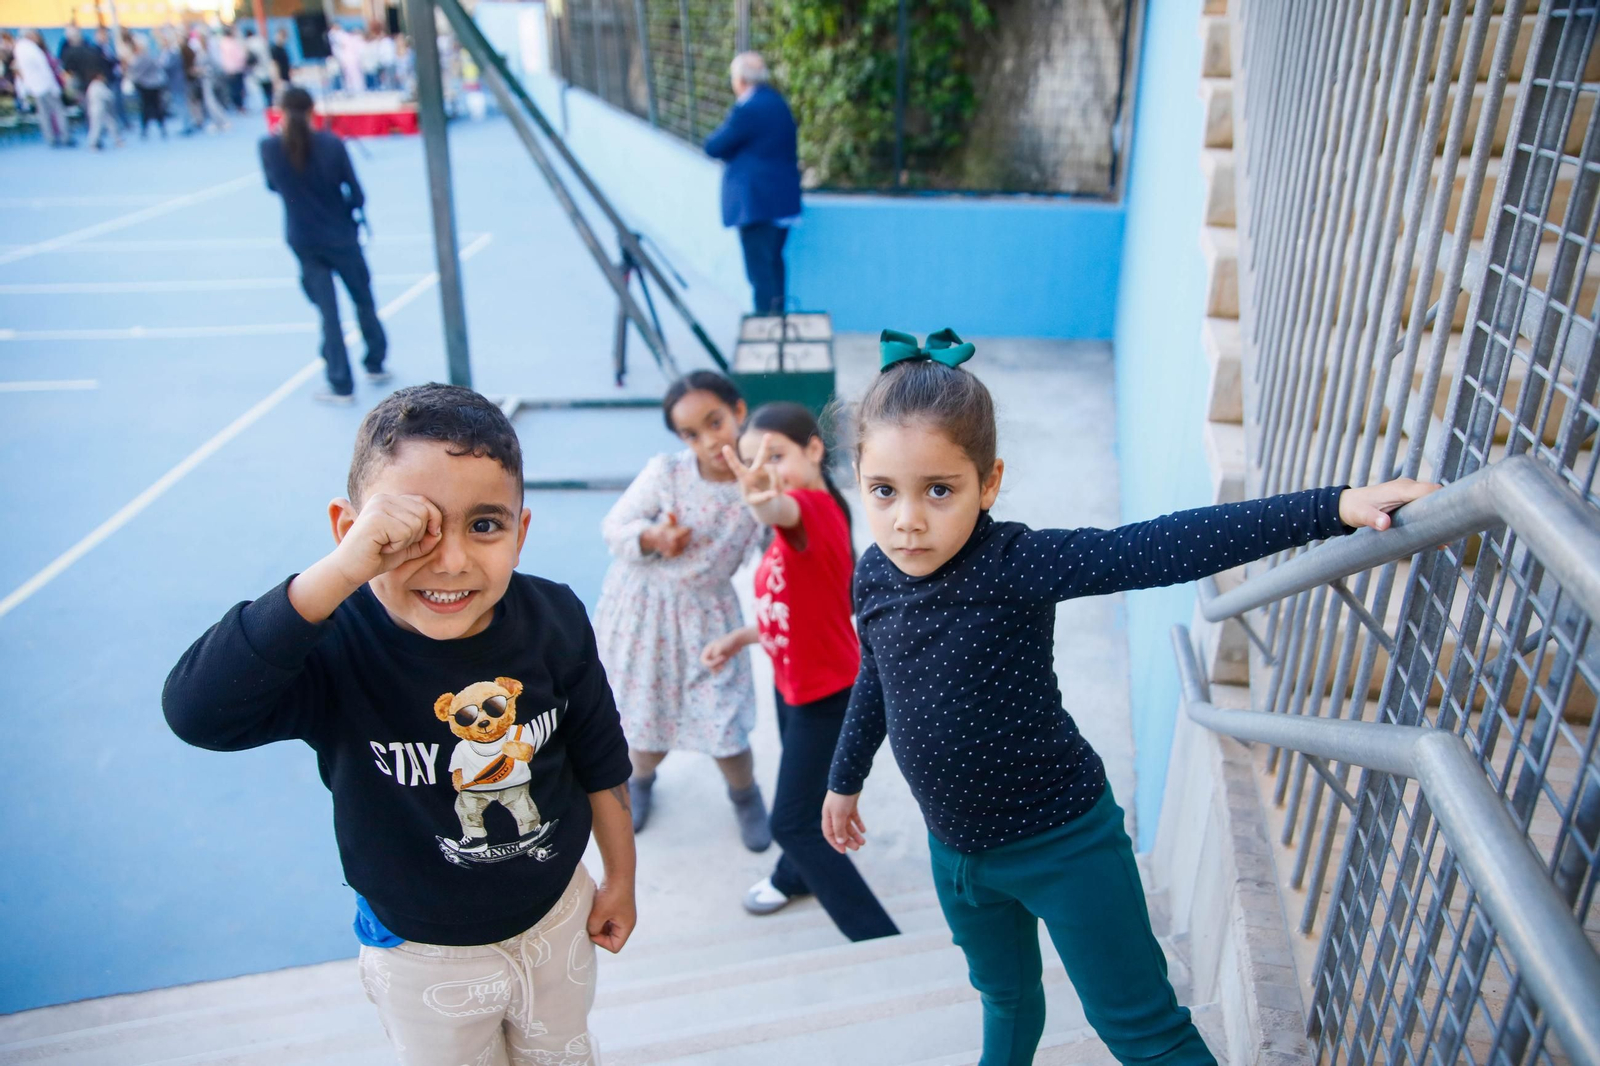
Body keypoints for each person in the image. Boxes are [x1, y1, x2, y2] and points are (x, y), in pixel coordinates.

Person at [820, 329, 1441, 1066]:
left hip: (1064, 843)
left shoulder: (1020, 564)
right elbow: (878, 673)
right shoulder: (876, 572)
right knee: (1005, 997)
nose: (908, 520)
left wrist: (1332, 506)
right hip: (953, 850)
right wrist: (844, 778)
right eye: (884, 491)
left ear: (988, 484)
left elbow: (1161, 546)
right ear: (859, 476)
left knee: (1141, 1031)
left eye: (940, 491)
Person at [164, 384, 634, 1066]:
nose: (450, 561)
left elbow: (600, 754)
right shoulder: (333, 647)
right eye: (412, 530)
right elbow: (196, 711)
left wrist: (620, 875)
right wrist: (343, 573)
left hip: (557, 914)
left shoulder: (554, 618)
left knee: (562, 1053)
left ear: (520, 531)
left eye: (484, 525)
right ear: (347, 530)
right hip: (421, 955)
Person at [706, 403, 900, 941]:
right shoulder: (803, 517)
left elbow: (779, 511)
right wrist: (742, 638)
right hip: (791, 682)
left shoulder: (809, 510)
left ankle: (878, 940)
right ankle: (795, 876)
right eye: (751, 459)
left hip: (828, 694)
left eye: (776, 454)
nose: (764, 467)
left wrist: (766, 503)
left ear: (814, 449)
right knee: (804, 797)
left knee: (791, 821)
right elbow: (797, 608)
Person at [594, 371, 772, 850]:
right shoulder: (667, 473)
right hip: (645, 612)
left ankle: (744, 794)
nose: (709, 441)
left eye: (715, 422)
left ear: (738, 412)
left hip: (710, 618)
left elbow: (781, 554)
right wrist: (654, 537)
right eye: (692, 434)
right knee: (647, 720)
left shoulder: (759, 486)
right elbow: (614, 527)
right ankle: (641, 782)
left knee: (725, 722)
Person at [259, 87, 388, 404]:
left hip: (304, 238)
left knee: (328, 312)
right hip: (341, 235)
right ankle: (375, 360)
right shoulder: (331, 144)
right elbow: (357, 193)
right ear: (312, 109)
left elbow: (274, 185)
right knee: (362, 298)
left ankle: (341, 382)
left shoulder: (270, 147)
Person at [704, 52, 801, 315]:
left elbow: (714, 146)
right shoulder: (778, 103)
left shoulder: (749, 109)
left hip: (757, 203)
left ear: (741, 80)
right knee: (774, 264)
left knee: (760, 273)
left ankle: (765, 329)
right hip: (782, 201)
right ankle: (779, 325)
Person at [13, 31, 69, 147]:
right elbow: (44, 69)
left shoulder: (19, 49)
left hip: (35, 87)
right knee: (57, 111)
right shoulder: (33, 49)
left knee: (44, 114)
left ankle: (51, 138)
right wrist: (54, 86)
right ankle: (65, 137)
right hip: (46, 85)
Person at [128, 34, 167, 138]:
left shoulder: (140, 59)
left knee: (147, 108)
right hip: (153, 86)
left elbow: (135, 73)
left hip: (146, 86)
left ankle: (148, 129)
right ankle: (160, 128)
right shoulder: (149, 57)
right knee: (155, 107)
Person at [83, 70, 121, 150]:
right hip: (98, 109)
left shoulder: (92, 85)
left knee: (110, 123)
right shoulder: (97, 85)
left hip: (98, 109)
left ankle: (117, 140)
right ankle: (93, 144)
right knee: (96, 127)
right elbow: (109, 95)